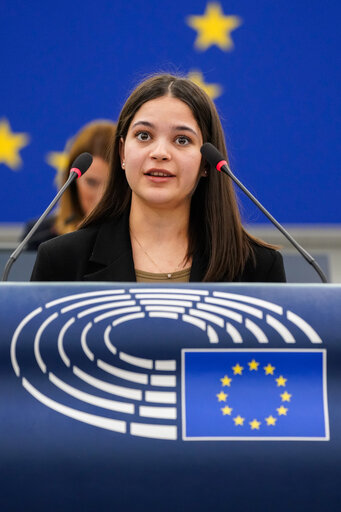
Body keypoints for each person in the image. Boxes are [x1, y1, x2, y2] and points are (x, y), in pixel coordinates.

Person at [31, 73, 286, 283]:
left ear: (205, 163)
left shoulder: (257, 268)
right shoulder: (62, 261)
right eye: (144, 136)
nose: (160, 153)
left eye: (182, 140)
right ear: (122, 152)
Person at [22, 120, 116, 250]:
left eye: (112, 185)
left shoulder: (141, 239)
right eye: (91, 183)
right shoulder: (39, 236)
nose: (101, 197)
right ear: (71, 181)